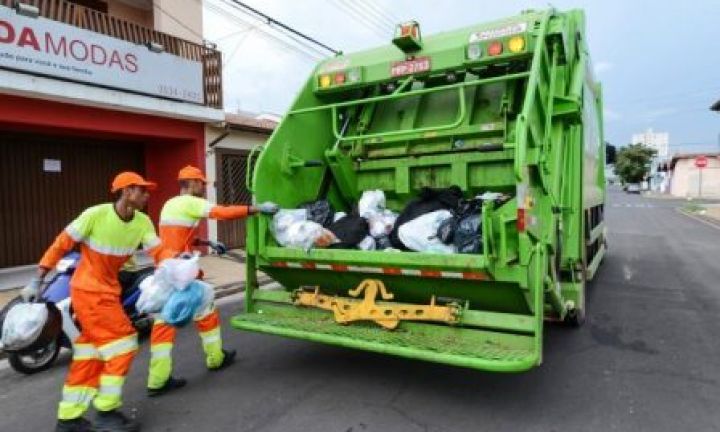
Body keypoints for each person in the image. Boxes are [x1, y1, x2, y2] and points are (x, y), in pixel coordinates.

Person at [21, 172, 175, 432]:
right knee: (124, 343)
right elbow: (62, 243)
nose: (147, 195)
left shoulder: (143, 222)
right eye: (142, 190)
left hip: (108, 290)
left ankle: (69, 418)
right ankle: (106, 411)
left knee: (89, 353)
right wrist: (38, 278)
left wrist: (179, 266)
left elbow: (159, 251)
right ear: (126, 192)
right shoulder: (94, 215)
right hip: (89, 291)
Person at [146, 165, 278, 397]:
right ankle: (202, 363)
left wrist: (206, 243)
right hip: (180, 271)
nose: (203, 187)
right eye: (201, 183)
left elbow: (180, 235)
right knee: (178, 318)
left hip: (169, 268)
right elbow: (222, 212)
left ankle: (175, 372)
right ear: (192, 183)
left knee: (197, 310)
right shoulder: (190, 202)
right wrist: (256, 209)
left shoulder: (171, 203)